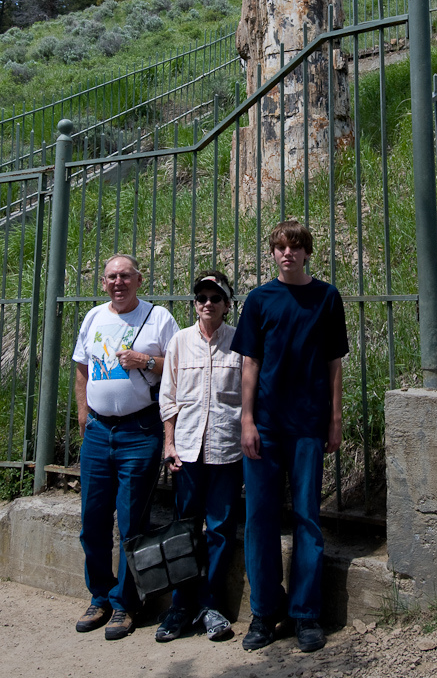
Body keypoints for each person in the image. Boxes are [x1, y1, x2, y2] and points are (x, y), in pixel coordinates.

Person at [231, 220, 349, 654]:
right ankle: (264, 612)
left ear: (307, 252)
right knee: (260, 519)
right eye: (281, 247)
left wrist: (335, 419)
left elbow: (334, 363)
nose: (288, 253)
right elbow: (249, 364)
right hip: (265, 425)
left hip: (308, 424)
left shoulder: (327, 297)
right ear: (273, 253)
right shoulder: (259, 300)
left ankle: (305, 613)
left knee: (307, 518)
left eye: (295, 247)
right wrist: (247, 420)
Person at [73, 254, 180, 640]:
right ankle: (100, 596)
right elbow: (82, 369)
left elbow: (178, 367)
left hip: (140, 430)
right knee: (93, 521)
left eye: (125, 276)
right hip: (99, 432)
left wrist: (145, 361)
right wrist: (83, 413)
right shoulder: (93, 317)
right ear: (103, 283)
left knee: (132, 522)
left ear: (139, 280)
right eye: (111, 277)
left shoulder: (158, 317)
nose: (118, 282)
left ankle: (126, 603)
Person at [155, 270, 243, 643]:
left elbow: (248, 395)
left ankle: (210, 606)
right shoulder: (179, 342)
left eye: (215, 297)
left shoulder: (240, 342)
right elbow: (168, 396)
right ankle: (180, 607)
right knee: (185, 529)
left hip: (227, 450)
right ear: (195, 304)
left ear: (227, 304)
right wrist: (169, 442)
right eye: (202, 297)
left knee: (220, 529)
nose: (208, 303)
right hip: (187, 451)